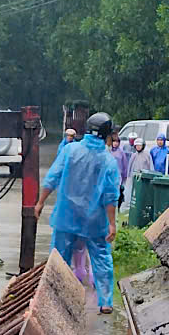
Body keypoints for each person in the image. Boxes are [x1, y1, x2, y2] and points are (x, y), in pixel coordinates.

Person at [39, 112, 122, 313]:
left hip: (66, 216)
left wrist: (40, 202)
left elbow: (53, 177)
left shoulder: (70, 151)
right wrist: (112, 223)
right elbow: (110, 196)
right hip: (94, 221)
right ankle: (105, 302)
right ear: (107, 134)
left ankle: (55, 300)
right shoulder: (108, 161)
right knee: (101, 259)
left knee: (59, 259)